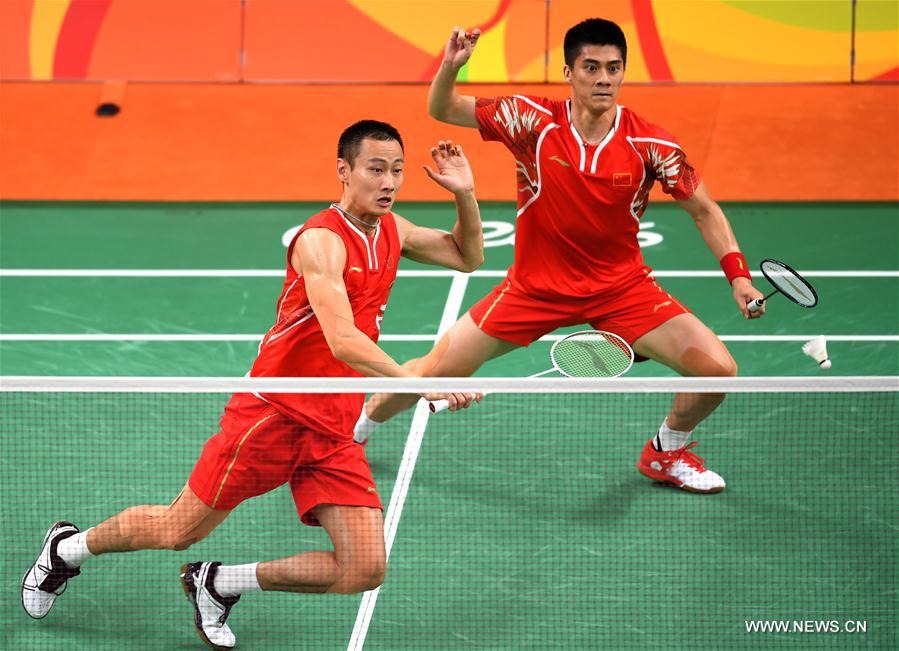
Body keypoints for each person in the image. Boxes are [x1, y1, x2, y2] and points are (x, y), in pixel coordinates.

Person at [21, 120, 484, 649]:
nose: (389, 182)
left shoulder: (393, 231)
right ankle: (67, 550)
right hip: (275, 413)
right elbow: (342, 339)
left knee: (363, 567)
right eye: (376, 169)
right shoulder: (321, 242)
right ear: (344, 171)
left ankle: (217, 583)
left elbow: (467, 256)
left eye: (397, 171)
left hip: (332, 424)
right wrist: (421, 382)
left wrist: (466, 195)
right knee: (179, 530)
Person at [356, 19, 766, 494]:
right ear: (568, 71)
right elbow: (443, 107)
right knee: (429, 371)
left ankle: (666, 451)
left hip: (622, 290)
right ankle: (358, 428)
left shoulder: (651, 144)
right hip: (533, 289)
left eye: (613, 68)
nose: (603, 79)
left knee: (719, 370)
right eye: (591, 67)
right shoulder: (532, 121)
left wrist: (738, 276)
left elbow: (705, 210)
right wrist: (451, 66)